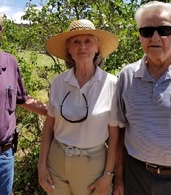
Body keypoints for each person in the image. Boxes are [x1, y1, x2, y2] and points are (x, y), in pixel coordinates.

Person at [113, 1, 171, 195]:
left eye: (164, 30)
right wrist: (119, 179)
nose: (155, 37)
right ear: (139, 36)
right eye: (146, 31)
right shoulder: (127, 76)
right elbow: (120, 132)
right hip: (137, 177)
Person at [0, 4, 48, 195]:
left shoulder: (9, 62)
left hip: (3, 159)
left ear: (0, 32)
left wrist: (57, 112)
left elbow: (22, 99)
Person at [38, 19, 119, 195]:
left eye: (88, 41)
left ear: (97, 47)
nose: (82, 46)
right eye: (76, 42)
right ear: (69, 49)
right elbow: (49, 126)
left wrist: (108, 174)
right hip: (57, 160)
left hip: (92, 164)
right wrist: (41, 166)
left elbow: (114, 135)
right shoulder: (59, 82)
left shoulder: (111, 84)